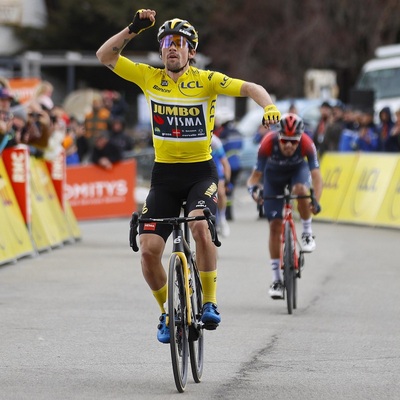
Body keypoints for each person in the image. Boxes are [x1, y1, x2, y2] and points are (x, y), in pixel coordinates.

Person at [96, 8, 281, 343]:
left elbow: (252, 87)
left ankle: (209, 301)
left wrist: (268, 107)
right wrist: (133, 29)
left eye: (180, 43)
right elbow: (104, 56)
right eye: (167, 41)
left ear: (190, 52)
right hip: (164, 176)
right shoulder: (149, 77)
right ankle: (166, 313)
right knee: (149, 248)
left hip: (201, 173)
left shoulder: (207, 80)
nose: (172, 47)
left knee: (198, 224)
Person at [247, 113, 322, 300]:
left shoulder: (307, 143)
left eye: (293, 142)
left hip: (298, 172)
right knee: (274, 226)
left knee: (301, 189)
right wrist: (253, 191)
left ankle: (306, 232)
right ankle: (276, 280)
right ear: (278, 137)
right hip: (273, 176)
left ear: (299, 140)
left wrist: (316, 201)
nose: (289, 145)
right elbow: (254, 177)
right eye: (285, 140)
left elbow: (317, 177)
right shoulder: (267, 142)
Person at [214, 107, 243, 221]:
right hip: (237, 163)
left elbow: (220, 149)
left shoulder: (223, 133)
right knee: (230, 189)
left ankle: (226, 214)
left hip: (226, 164)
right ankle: (228, 214)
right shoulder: (237, 131)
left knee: (224, 189)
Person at [211, 134, 231, 237]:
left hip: (216, 169)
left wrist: (227, 180)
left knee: (221, 193)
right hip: (202, 170)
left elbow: (225, 163)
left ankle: (222, 218)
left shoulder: (215, 141)